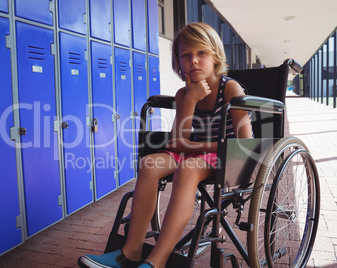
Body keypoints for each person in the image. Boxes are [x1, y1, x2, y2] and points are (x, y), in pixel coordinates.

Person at [78, 22, 253, 268]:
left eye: (201, 52)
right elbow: (177, 140)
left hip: (226, 155)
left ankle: (157, 261)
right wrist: (191, 99)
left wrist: (193, 147)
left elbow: (245, 143)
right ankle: (131, 251)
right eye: (186, 55)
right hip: (193, 152)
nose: (193, 60)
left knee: (188, 168)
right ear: (178, 62)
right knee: (150, 163)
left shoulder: (230, 88)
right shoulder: (183, 94)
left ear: (215, 56)